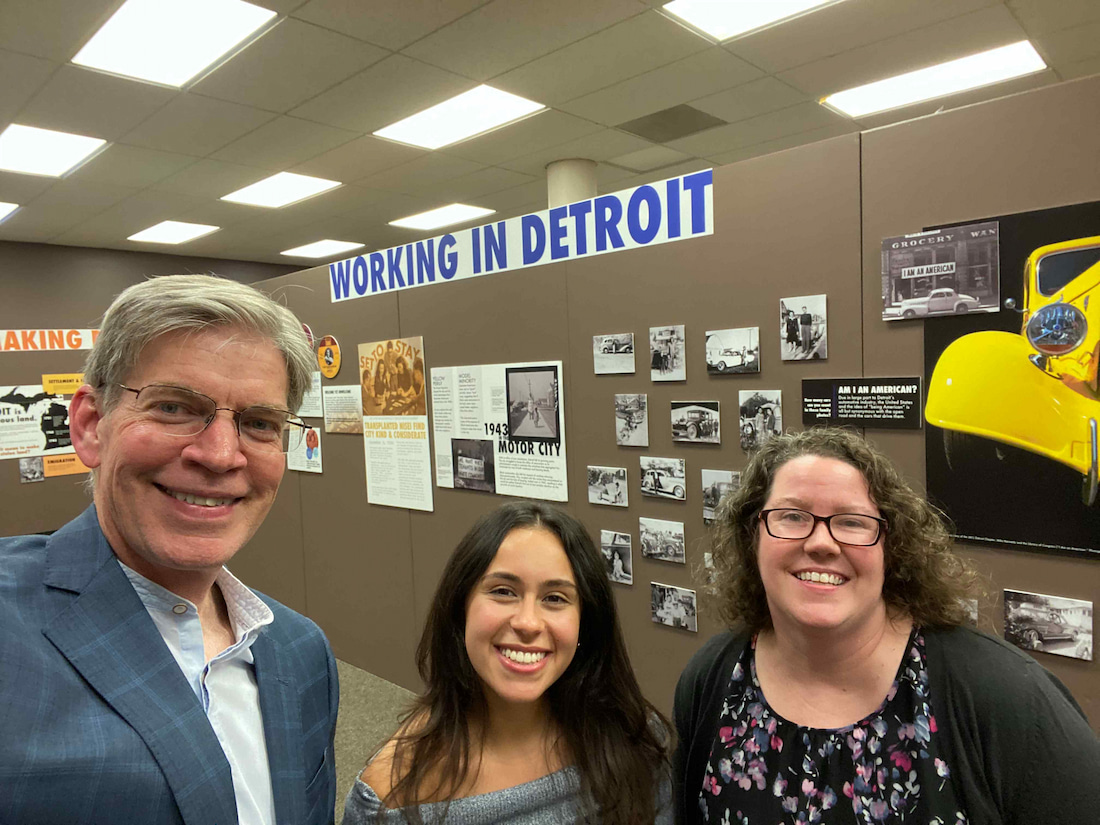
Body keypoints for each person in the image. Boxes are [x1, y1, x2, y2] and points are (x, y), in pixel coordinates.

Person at [0, 274, 339, 825]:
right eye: (175, 408)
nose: (221, 455)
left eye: (258, 423)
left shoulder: (300, 651)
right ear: (89, 426)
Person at [673, 427, 1100, 824]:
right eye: (792, 516)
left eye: (852, 522)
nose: (821, 542)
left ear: (890, 549)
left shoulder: (1006, 698)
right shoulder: (712, 678)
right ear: (754, 536)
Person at [344, 501, 672, 825]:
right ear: (460, 610)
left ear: (586, 621)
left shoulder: (632, 741)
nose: (528, 623)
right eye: (503, 591)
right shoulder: (391, 795)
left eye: (555, 598)